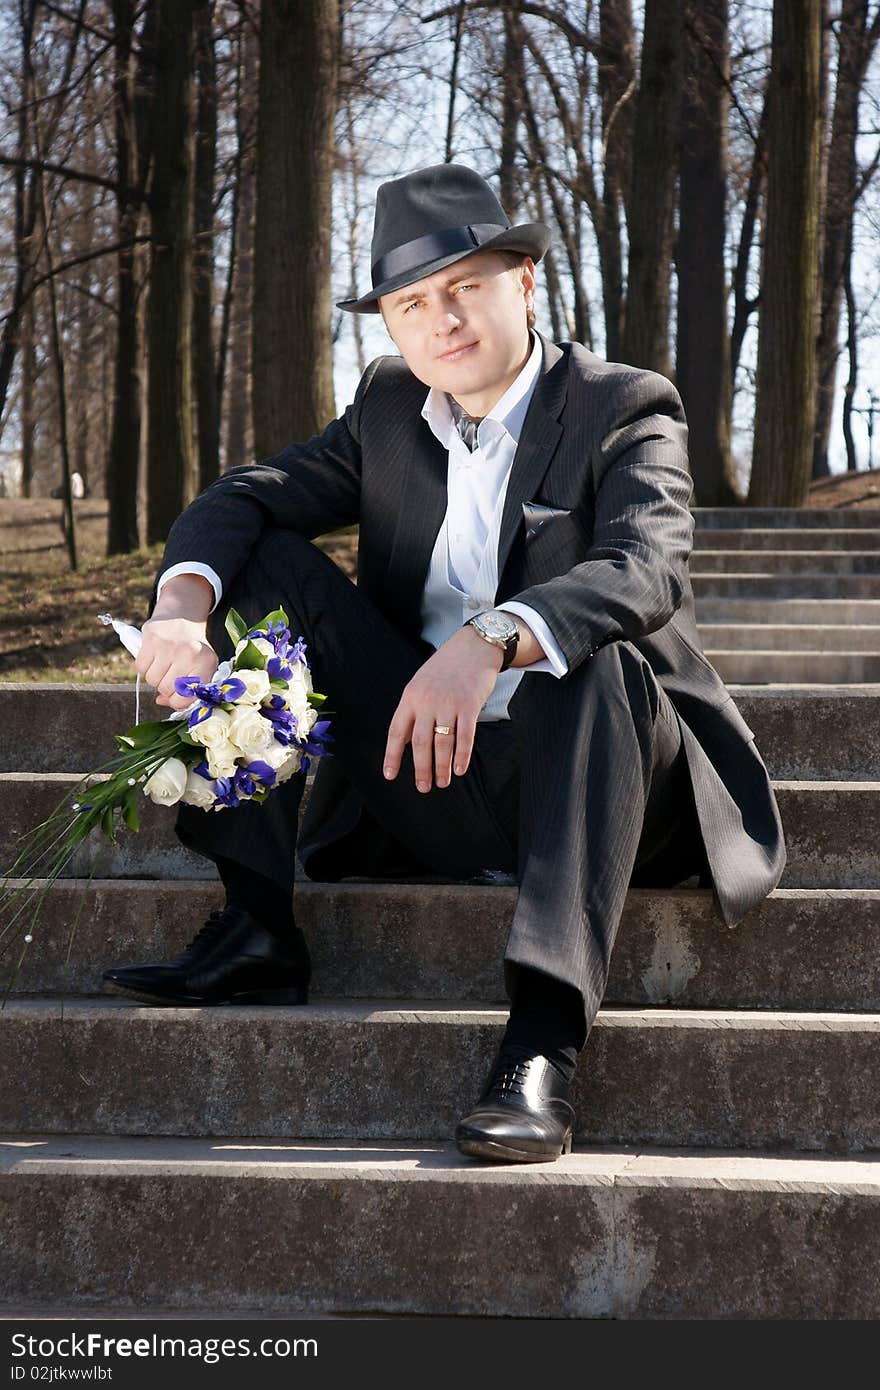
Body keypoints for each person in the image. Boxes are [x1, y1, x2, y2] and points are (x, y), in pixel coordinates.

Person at [103, 162, 786, 1164]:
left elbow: (644, 569)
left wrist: (491, 638)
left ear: (522, 282)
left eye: (463, 284)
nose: (440, 320)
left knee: (594, 661)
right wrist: (179, 605)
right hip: (436, 770)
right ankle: (255, 925)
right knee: (264, 562)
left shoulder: (623, 405)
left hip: (614, 786)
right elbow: (243, 495)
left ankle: (543, 1040)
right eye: (411, 302)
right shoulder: (387, 410)